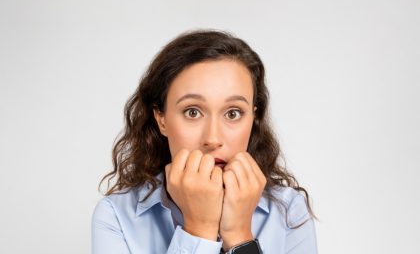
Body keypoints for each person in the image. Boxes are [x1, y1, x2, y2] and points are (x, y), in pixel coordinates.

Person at [91, 30, 318, 254]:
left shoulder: (289, 212)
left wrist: (240, 237)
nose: (212, 139)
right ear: (162, 119)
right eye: (192, 112)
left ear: (253, 119)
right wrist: (199, 230)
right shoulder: (115, 217)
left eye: (232, 113)